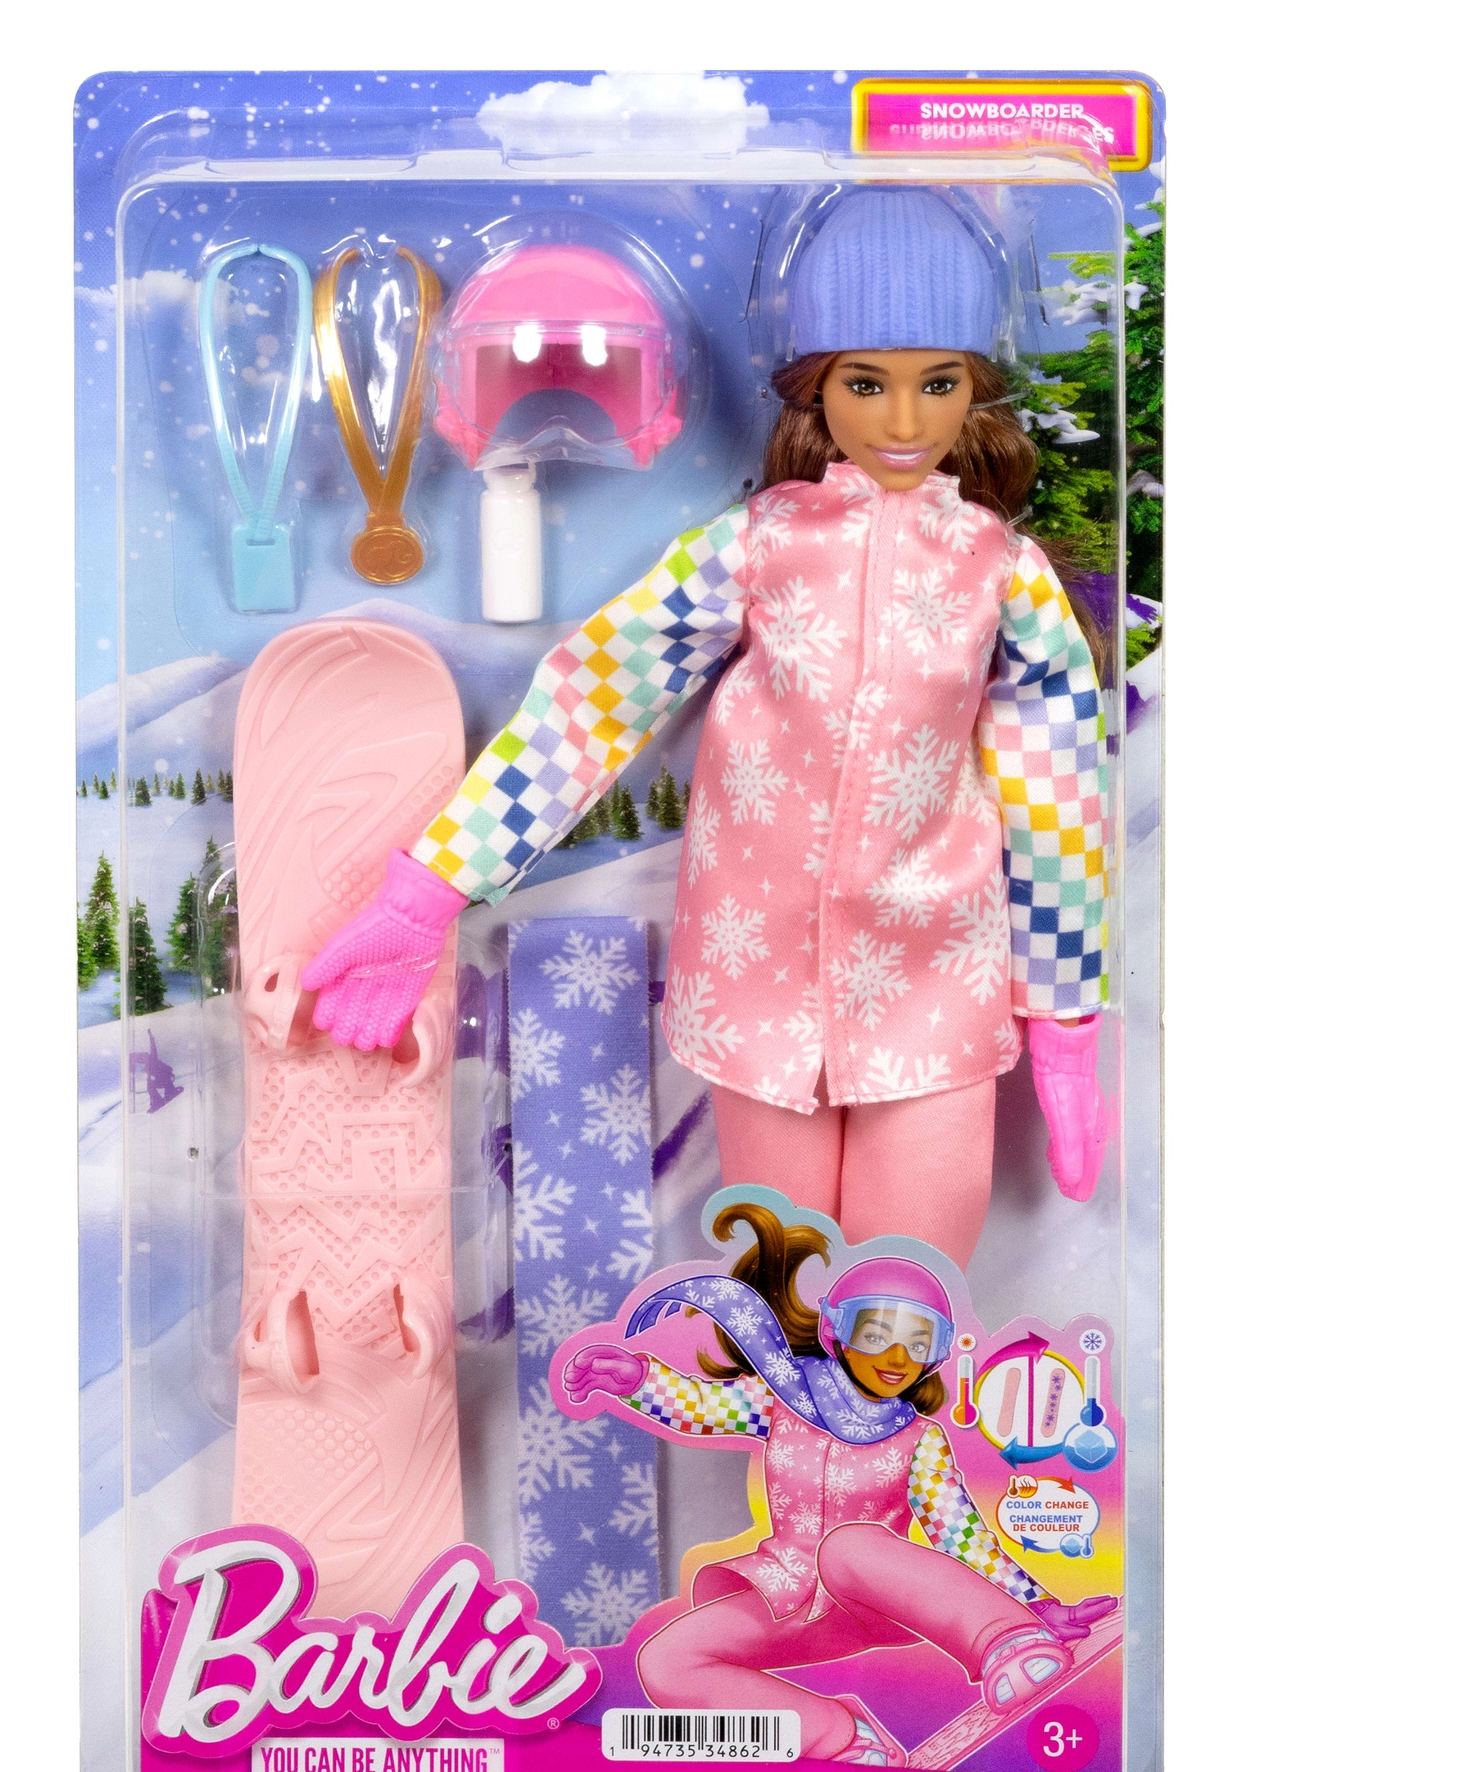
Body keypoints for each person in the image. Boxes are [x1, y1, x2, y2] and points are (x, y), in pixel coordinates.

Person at [298, 188, 1110, 1260]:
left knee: (906, 1297)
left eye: (939, 383)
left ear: (976, 389)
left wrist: (1062, 1014)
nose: (906, 423)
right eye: (866, 383)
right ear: (815, 387)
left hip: (937, 974)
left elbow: (1056, 789)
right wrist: (429, 890)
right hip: (753, 978)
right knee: (776, 1298)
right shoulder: (754, 547)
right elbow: (594, 696)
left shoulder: (1000, 572)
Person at [559, 1202, 1112, 1764]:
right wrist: (638, 1379)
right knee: (667, 1658)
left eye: (919, 1344)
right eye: (876, 1335)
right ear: (835, 1332)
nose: (896, 1357)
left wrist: (1033, 1606)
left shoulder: (916, 1438)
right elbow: (704, 1406)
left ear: (937, 1353)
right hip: (789, 1597)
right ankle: (837, 1737)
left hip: (878, 1597)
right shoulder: (783, 1400)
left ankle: (1005, 1640)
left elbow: (960, 1532)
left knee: (848, 1544)